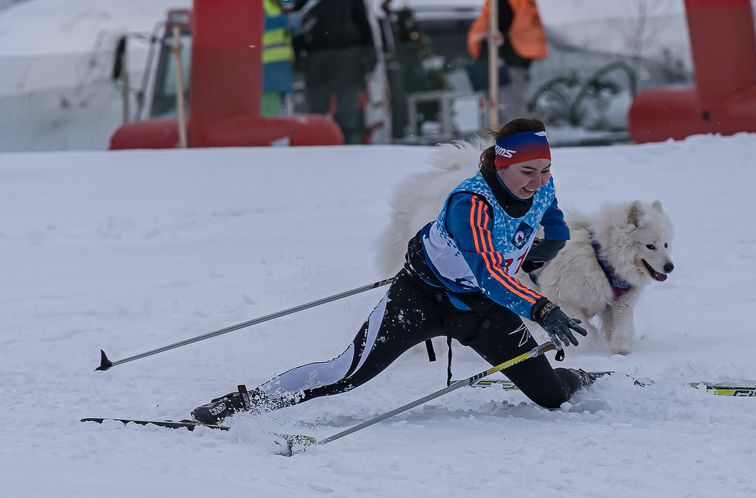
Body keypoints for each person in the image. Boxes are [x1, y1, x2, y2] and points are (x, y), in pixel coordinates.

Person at [191, 117, 594, 424]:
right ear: (503, 164)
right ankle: (242, 403)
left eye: (545, 170)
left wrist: (544, 251)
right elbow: (489, 272)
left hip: (482, 312)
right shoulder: (470, 203)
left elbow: (554, 224)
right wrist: (541, 308)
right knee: (344, 374)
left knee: (554, 397)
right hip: (420, 299)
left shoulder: (542, 185)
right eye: (528, 171)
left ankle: (582, 375)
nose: (538, 181)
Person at [289, 0, 377, 143]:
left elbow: (297, 25)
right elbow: (296, 23)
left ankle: (346, 144)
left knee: (341, 107)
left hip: (337, 55)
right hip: (330, 55)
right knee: (324, 107)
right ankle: (330, 142)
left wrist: (297, 52)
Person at [467, 0, 548, 122]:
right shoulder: (521, 5)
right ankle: (511, 136)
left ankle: (514, 137)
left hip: (507, 64)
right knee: (508, 108)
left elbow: (502, 23)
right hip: (511, 62)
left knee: (508, 110)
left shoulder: (505, 4)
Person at [261, 0, 295, 117]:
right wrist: (284, 21)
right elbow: (252, 23)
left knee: (280, 108)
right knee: (269, 110)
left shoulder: (275, 3)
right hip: (266, 64)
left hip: (280, 63)